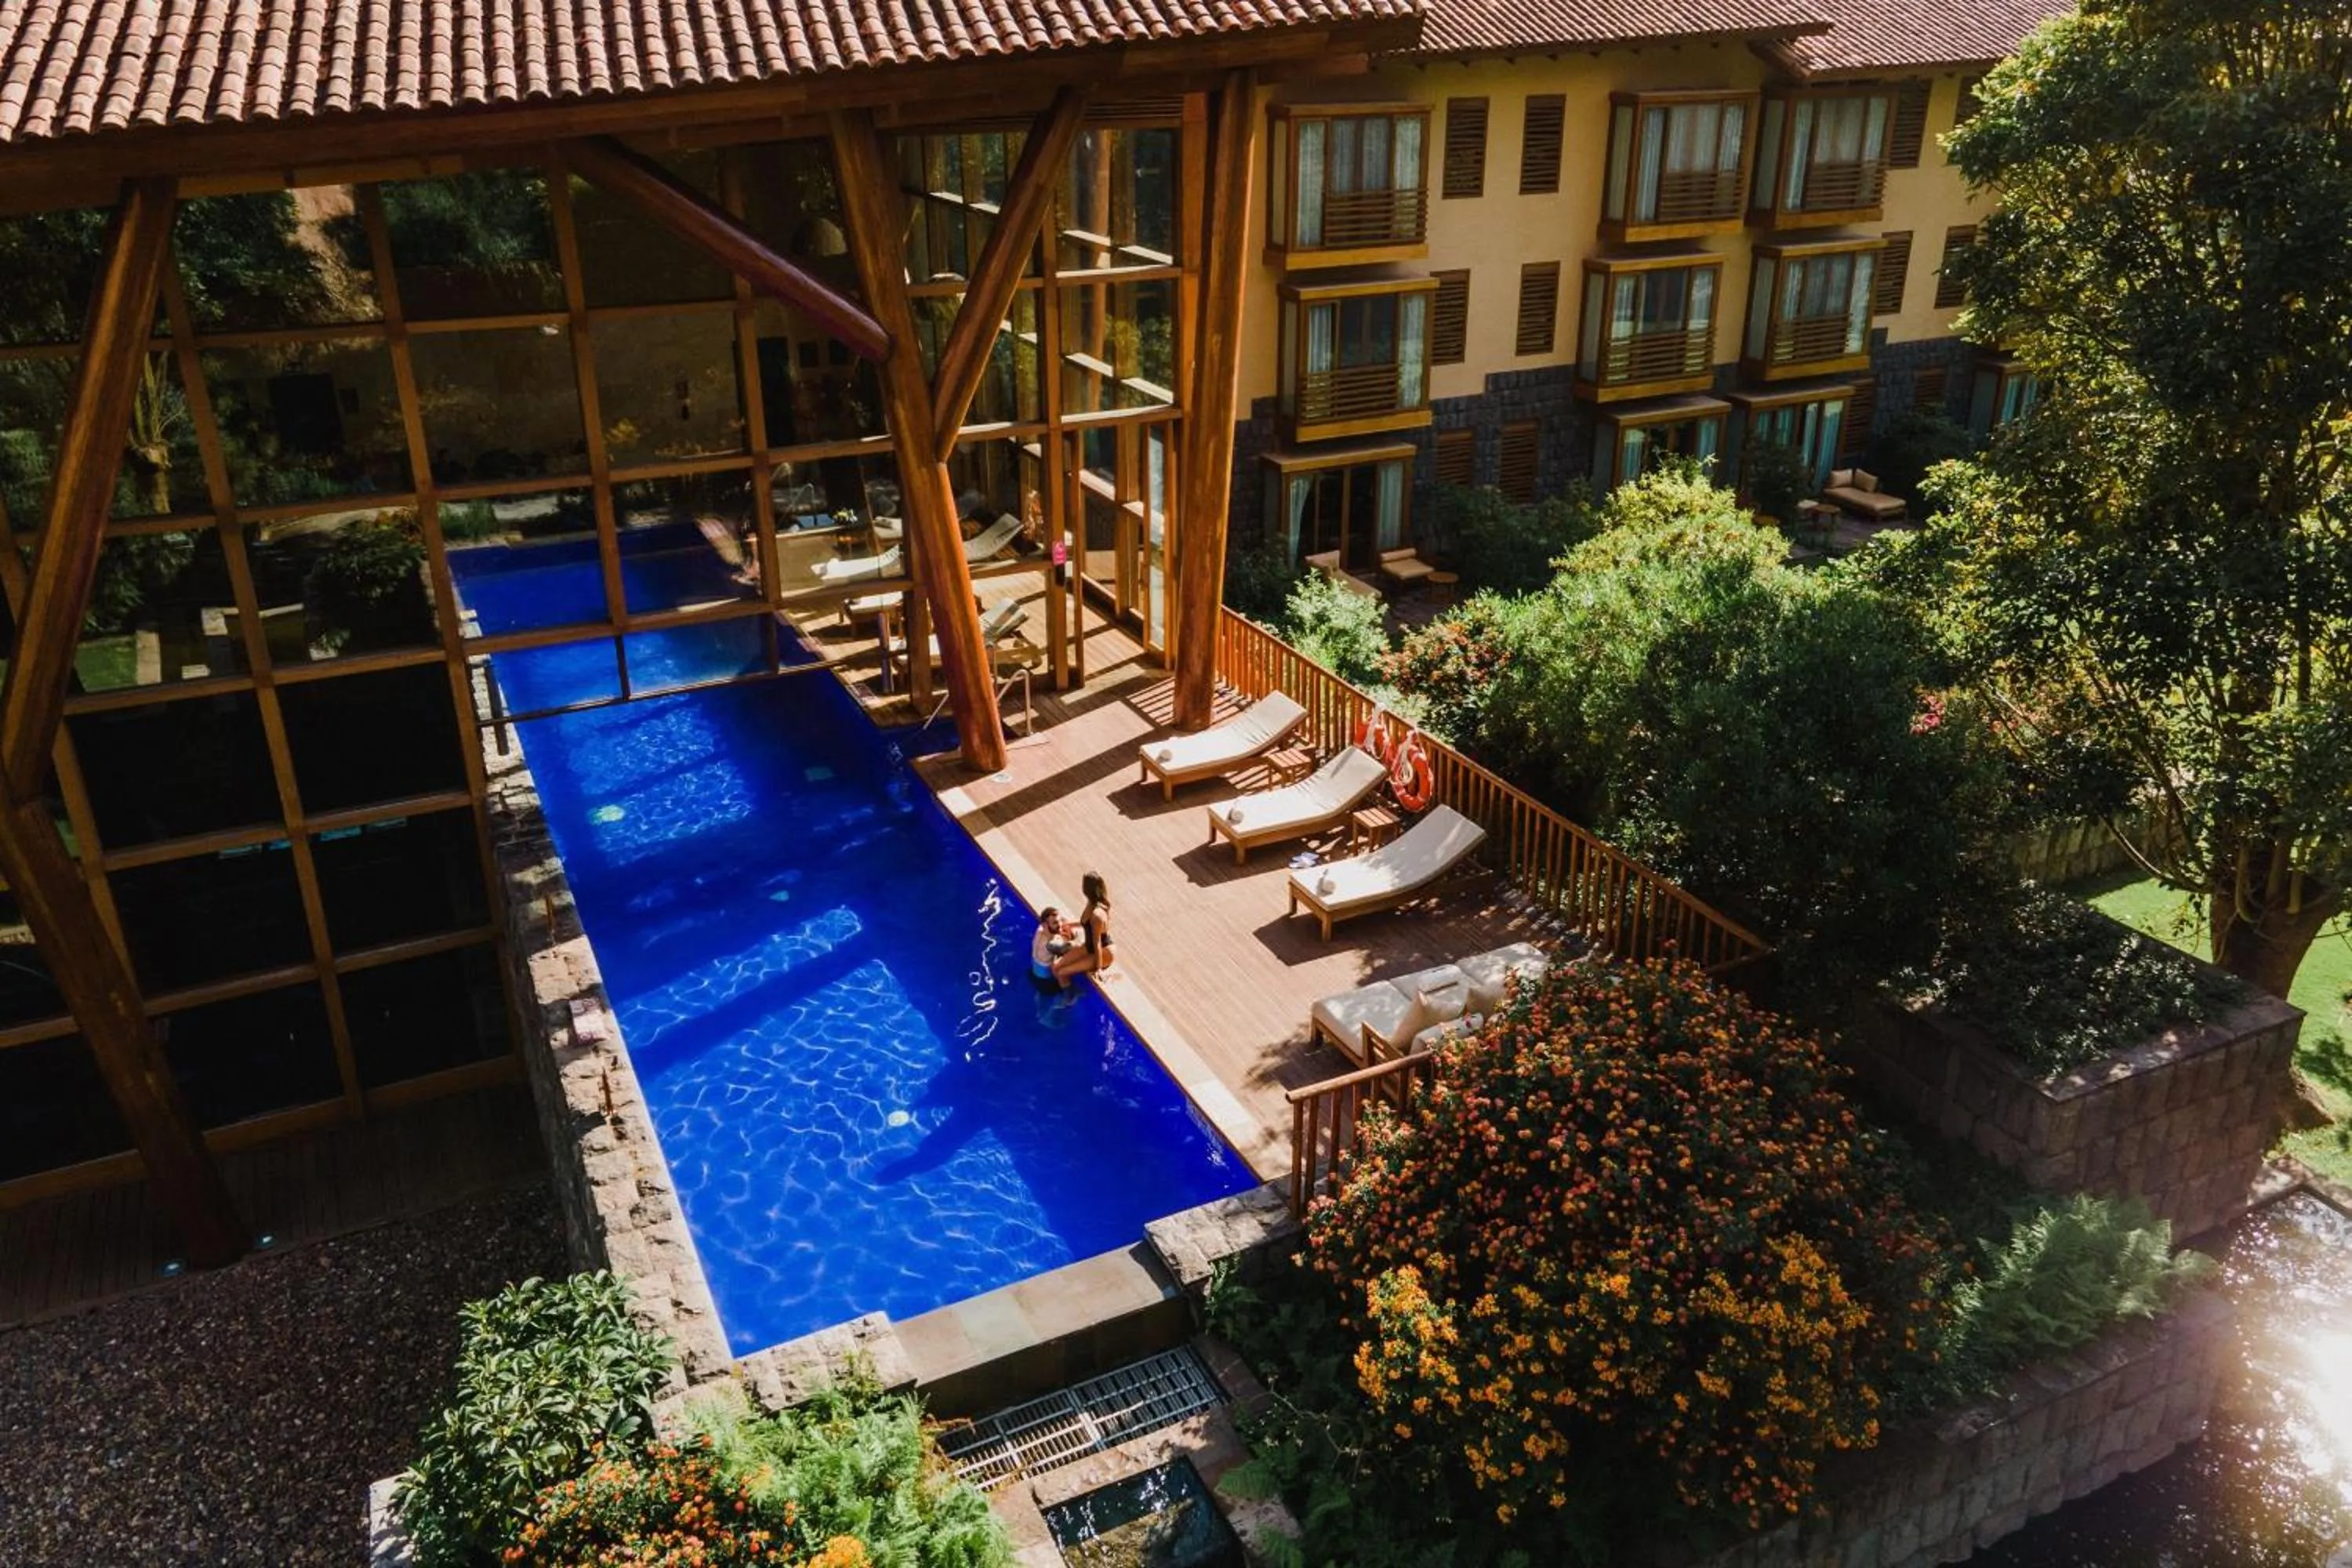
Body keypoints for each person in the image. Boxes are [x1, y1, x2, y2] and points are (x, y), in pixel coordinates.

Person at [1052, 873, 1115, 985]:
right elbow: (1087, 924)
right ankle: (1068, 990)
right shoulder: (1091, 903)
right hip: (1089, 946)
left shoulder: (1097, 914)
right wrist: (1070, 925)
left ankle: (1070, 996)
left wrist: (1098, 968)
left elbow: (1098, 943)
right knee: (1055, 967)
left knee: (1062, 972)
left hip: (1103, 952)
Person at [1030, 906, 1072, 987]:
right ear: (1046, 924)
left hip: (1034, 967)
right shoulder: (1052, 943)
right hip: (1045, 977)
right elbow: (1071, 947)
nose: (1060, 924)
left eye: (1060, 920)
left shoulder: (1040, 929)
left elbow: (1058, 927)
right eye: (1055, 923)